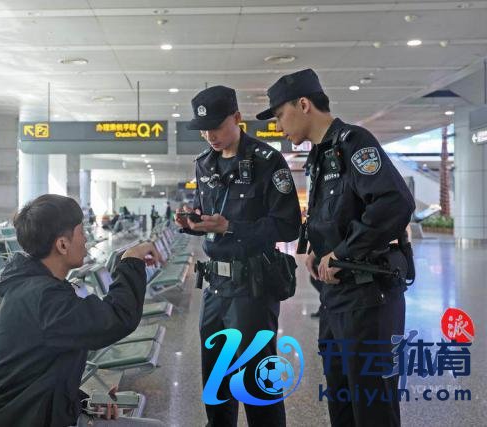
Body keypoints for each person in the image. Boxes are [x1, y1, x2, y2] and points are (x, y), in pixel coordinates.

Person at [256, 69, 415, 426]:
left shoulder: (354, 142)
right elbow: (338, 213)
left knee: (372, 406)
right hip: (337, 299)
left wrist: (343, 252)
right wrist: (318, 247)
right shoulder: (320, 156)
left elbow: (394, 203)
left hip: (370, 298)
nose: (278, 126)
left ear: (303, 104)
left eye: (280, 115)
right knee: (342, 403)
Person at [0, 194, 165, 427]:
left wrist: (83, 403)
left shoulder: (37, 289)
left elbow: (38, 378)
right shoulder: (44, 299)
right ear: (62, 244)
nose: (86, 239)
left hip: (39, 414)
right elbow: (117, 317)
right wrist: (132, 259)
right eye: (81, 232)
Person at [176, 85, 301, 427]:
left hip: (253, 287)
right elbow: (208, 215)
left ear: (237, 118)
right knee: (215, 383)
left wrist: (232, 227)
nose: (210, 136)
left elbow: (288, 225)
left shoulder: (266, 161)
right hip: (215, 288)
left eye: (216, 127)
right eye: (203, 130)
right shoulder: (204, 164)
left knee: (256, 383)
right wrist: (192, 222)